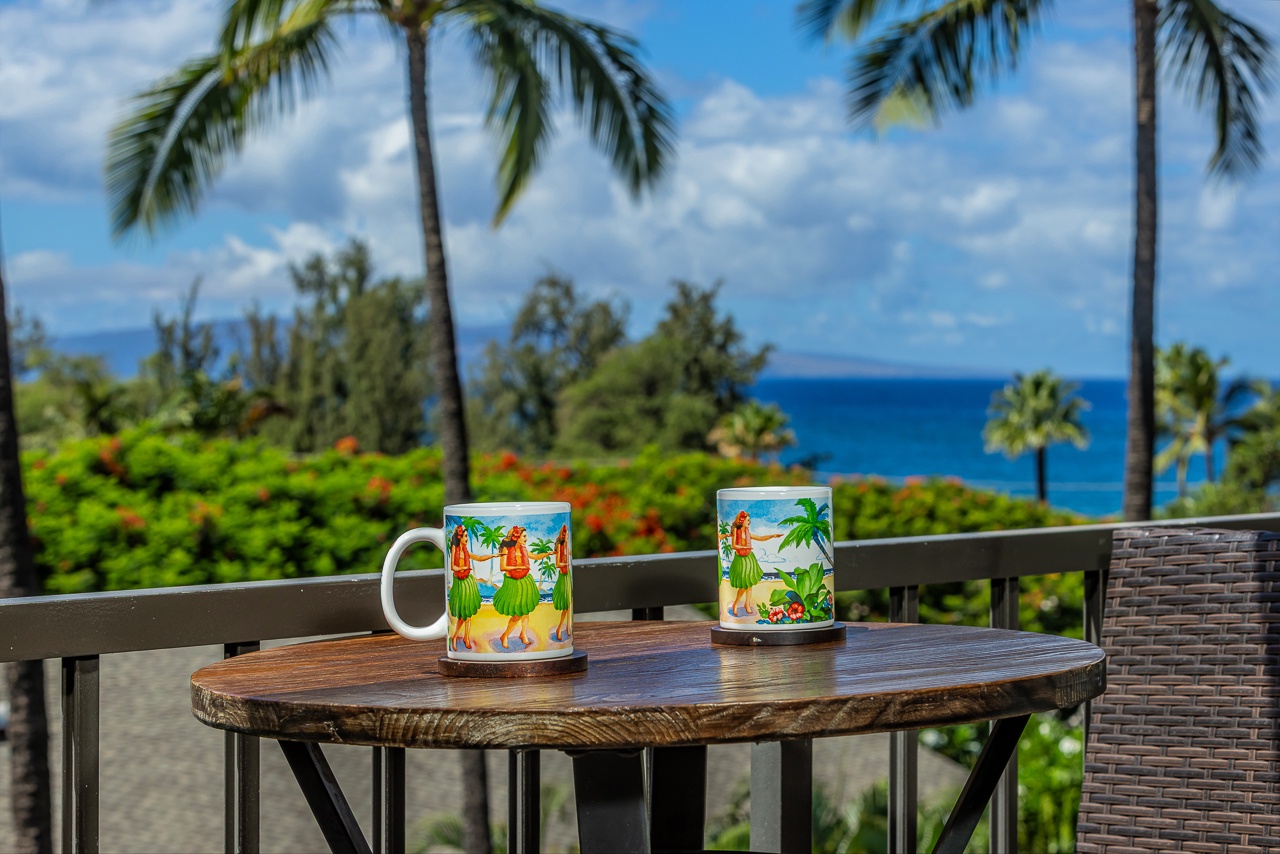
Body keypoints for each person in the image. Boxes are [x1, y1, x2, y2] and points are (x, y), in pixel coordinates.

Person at [493, 526, 553, 648]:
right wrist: (518, 567)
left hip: (525, 581)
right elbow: (502, 567)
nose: (526, 538)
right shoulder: (506, 549)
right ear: (517, 537)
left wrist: (548, 553)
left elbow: (535, 556)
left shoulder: (523, 549)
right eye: (524, 536)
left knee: (525, 610)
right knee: (517, 614)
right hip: (513, 583)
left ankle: (523, 634)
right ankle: (505, 635)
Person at [718, 510, 781, 618]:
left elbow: (760, 538)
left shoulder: (748, 532)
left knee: (749, 585)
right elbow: (734, 546)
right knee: (744, 585)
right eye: (747, 520)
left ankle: (747, 604)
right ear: (742, 521)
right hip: (740, 560)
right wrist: (744, 547)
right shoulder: (736, 532)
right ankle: (736, 604)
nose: (749, 522)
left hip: (749, 558)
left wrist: (773, 535)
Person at [446, 525, 495, 651]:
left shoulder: (466, 551)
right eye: (465, 536)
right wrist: (463, 568)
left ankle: (466, 638)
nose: (467, 538)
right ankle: (455, 637)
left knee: (468, 615)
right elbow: (453, 567)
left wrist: (492, 556)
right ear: (460, 537)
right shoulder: (455, 548)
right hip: (460, 583)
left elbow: (479, 558)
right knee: (463, 615)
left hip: (468, 582)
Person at [550, 524, 572, 641]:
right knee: (565, 605)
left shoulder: (567, 545)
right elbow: (558, 564)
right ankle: (560, 628)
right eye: (565, 534)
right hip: (563, 576)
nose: (566, 536)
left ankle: (567, 627)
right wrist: (566, 563)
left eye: (567, 534)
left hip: (568, 575)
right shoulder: (560, 546)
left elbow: (570, 554)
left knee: (569, 604)